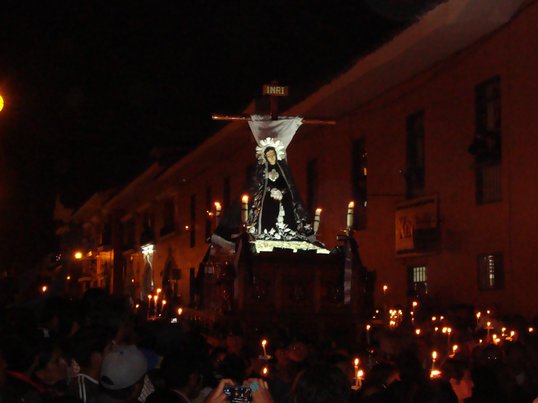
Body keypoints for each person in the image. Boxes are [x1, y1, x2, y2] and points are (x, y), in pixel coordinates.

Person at [65, 326, 114, 403]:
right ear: (95, 357)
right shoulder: (81, 391)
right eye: (110, 349)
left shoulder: (99, 384)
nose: (114, 354)